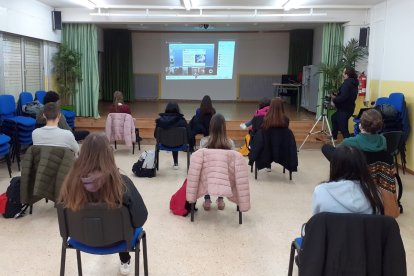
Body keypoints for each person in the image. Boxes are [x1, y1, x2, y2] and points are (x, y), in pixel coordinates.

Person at [58, 134, 148, 275]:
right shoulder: (122, 183)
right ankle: (125, 260)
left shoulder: (70, 183)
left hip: (81, 239)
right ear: (108, 154)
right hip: (119, 241)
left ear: (82, 154)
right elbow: (140, 219)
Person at [312, 145, 384, 215]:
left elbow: (316, 222)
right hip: (363, 227)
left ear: (334, 167)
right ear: (362, 166)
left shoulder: (321, 191)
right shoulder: (375, 193)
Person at [200, 113, 235, 211]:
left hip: (208, 176)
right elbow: (233, 163)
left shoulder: (204, 142)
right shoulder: (230, 143)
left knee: (204, 170)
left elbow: (200, 161)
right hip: (225, 178)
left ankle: (207, 200)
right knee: (223, 171)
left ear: (211, 126)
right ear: (224, 127)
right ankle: (220, 200)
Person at [322, 109, 386, 161]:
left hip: (355, 172)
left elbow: (337, 151)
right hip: (373, 171)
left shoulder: (349, 142)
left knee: (325, 147)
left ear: (360, 125)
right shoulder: (383, 140)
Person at [154, 102, 192, 169]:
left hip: (163, 144)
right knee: (175, 140)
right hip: (180, 145)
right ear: (177, 109)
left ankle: (159, 166)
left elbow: (155, 135)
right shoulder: (182, 121)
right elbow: (189, 134)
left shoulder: (160, 121)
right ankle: (176, 163)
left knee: (173, 140)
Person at [330, 67, 359, 140]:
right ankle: (334, 137)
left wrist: (334, 99)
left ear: (347, 74)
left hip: (344, 109)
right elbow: (347, 95)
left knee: (343, 128)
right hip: (349, 108)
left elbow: (343, 97)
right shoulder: (354, 82)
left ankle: (349, 145)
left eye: (343, 72)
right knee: (334, 117)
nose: (342, 74)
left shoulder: (347, 83)